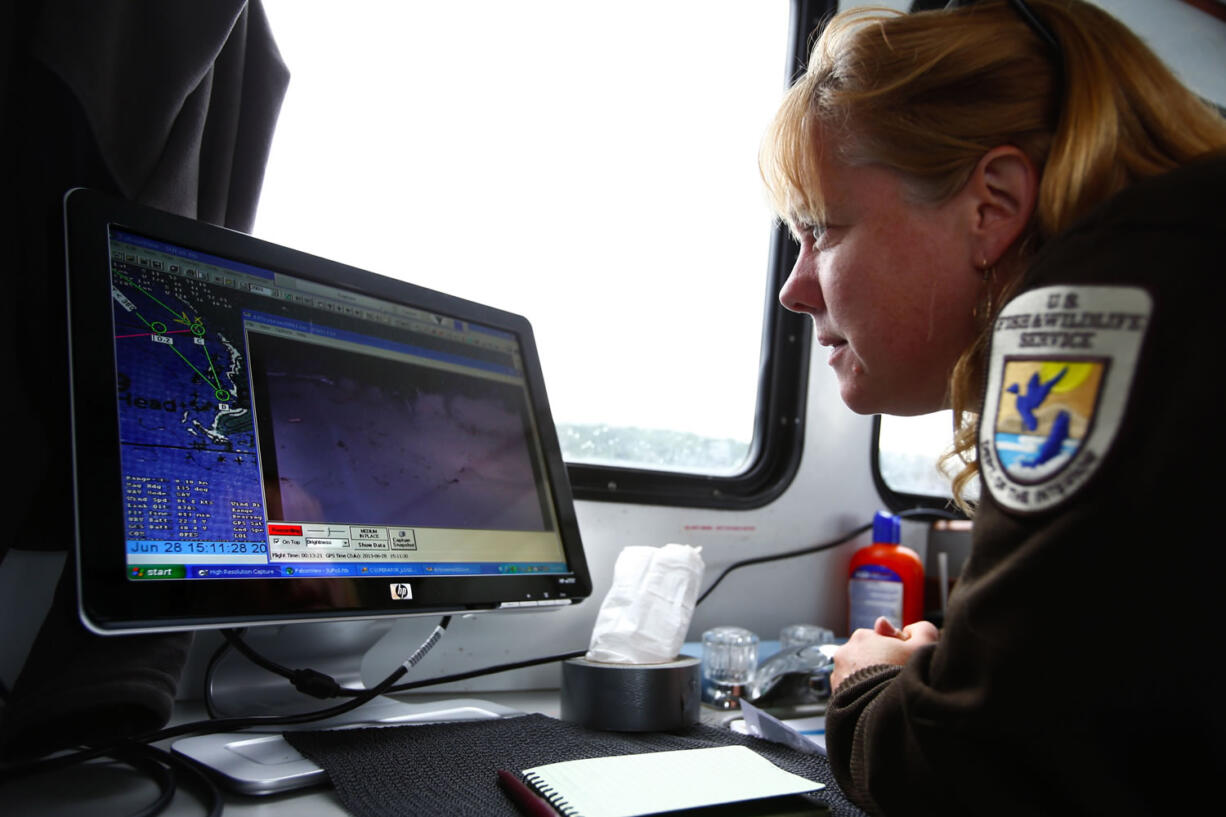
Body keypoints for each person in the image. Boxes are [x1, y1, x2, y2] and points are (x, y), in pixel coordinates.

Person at [759, 1, 1226, 814]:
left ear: (993, 205)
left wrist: (868, 682)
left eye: (823, 231)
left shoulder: (1096, 306)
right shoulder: (1179, 262)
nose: (794, 290)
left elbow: (971, 766)